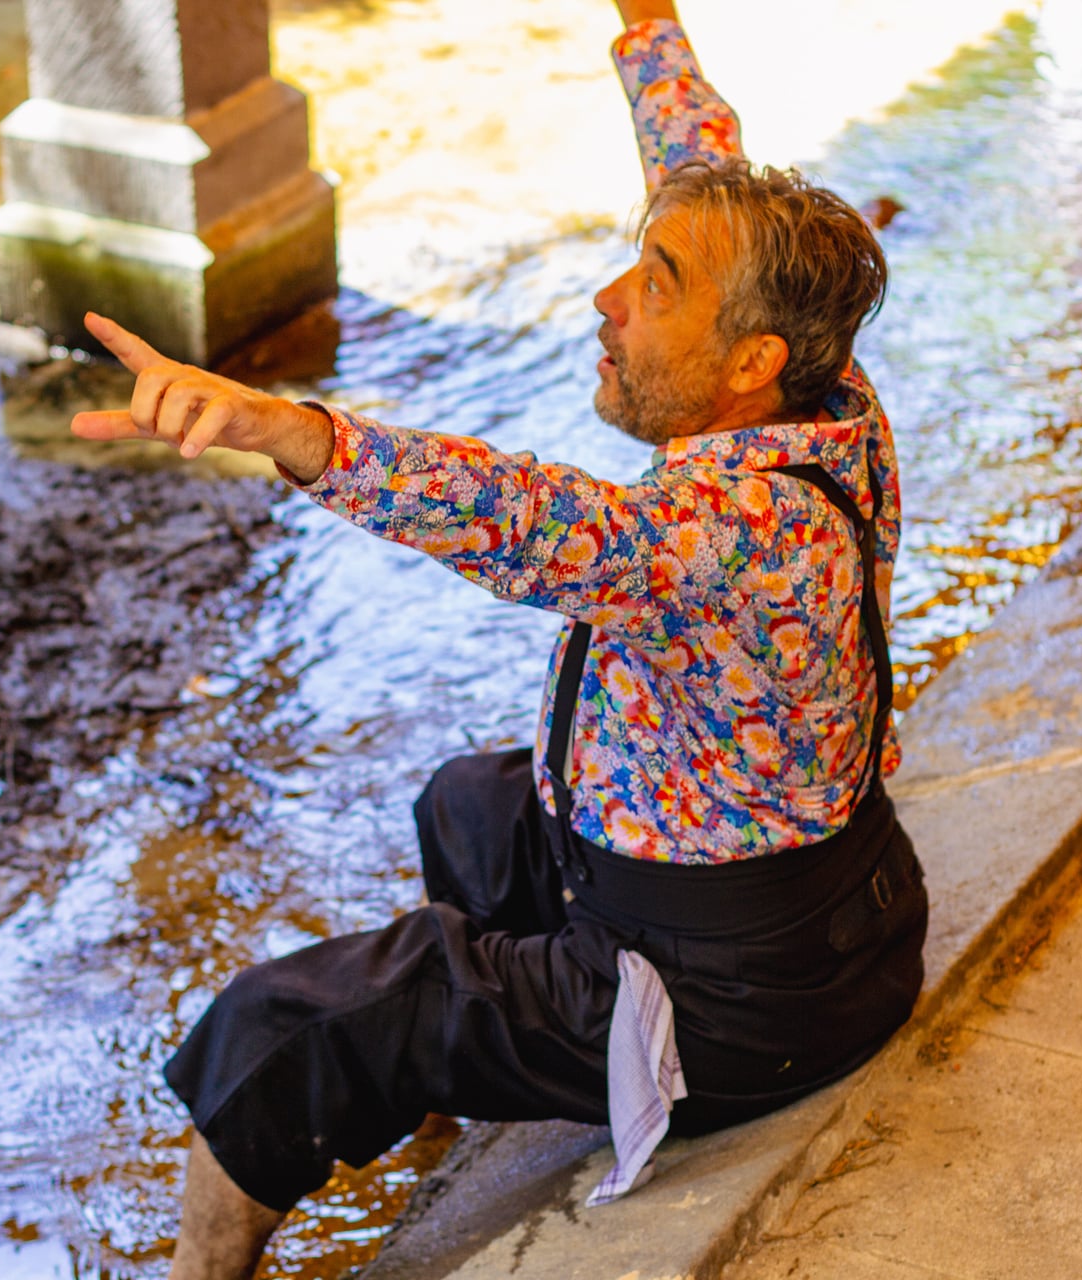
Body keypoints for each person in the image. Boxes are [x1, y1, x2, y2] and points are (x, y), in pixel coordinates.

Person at [69, 1, 928, 1275]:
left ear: (748, 359)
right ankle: (431, 1099)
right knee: (470, 804)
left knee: (277, 1028)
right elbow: (696, 157)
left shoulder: (735, 529)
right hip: (835, 914)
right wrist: (647, 24)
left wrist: (289, 429)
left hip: (733, 1003)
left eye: (657, 283)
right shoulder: (826, 394)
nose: (609, 295)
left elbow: (526, 519)